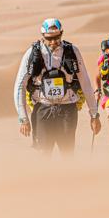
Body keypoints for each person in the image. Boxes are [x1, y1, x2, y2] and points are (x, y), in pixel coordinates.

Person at [14, 18, 101, 156]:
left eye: (57, 37)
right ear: (43, 36)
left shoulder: (72, 51)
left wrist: (94, 115)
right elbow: (20, 85)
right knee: (44, 152)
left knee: (67, 152)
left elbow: (85, 82)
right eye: (49, 38)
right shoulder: (32, 53)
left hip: (68, 108)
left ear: (62, 33)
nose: (53, 41)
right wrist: (23, 118)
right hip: (42, 108)